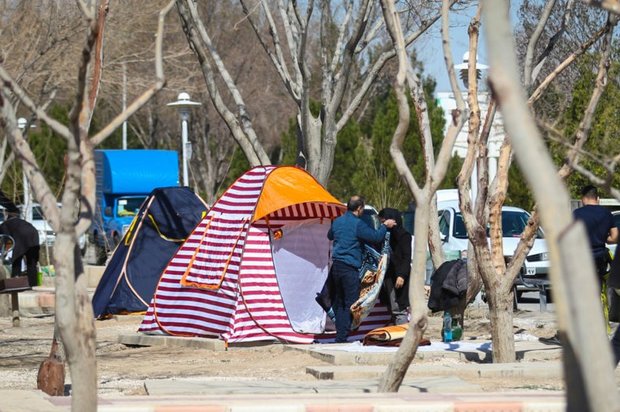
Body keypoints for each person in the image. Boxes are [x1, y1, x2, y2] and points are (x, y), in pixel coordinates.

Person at [327, 196, 396, 343]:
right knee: (351, 303)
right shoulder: (358, 224)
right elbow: (376, 237)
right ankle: (342, 337)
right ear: (359, 209)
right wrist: (385, 226)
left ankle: (340, 335)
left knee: (339, 302)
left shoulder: (337, 221)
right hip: (349, 268)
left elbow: (330, 235)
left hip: (336, 267)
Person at [572, 185, 618, 288]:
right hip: (599, 258)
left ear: (583, 199)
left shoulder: (576, 214)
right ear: (597, 198)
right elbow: (615, 237)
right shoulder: (607, 214)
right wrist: (603, 238)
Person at [378, 208, 412, 325]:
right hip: (388, 276)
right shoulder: (384, 235)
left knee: (399, 308)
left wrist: (401, 275)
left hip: (398, 276)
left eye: (385, 221)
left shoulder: (404, 236)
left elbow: (406, 258)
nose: (383, 224)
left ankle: (402, 336)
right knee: (391, 307)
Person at [0, 211, 40, 287]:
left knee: (16, 260)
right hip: (34, 235)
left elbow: (5, 239)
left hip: (22, 237)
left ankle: (15, 284)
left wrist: (4, 252)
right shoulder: (20, 222)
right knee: (32, 263)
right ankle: (33, 284)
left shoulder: (4, 225)